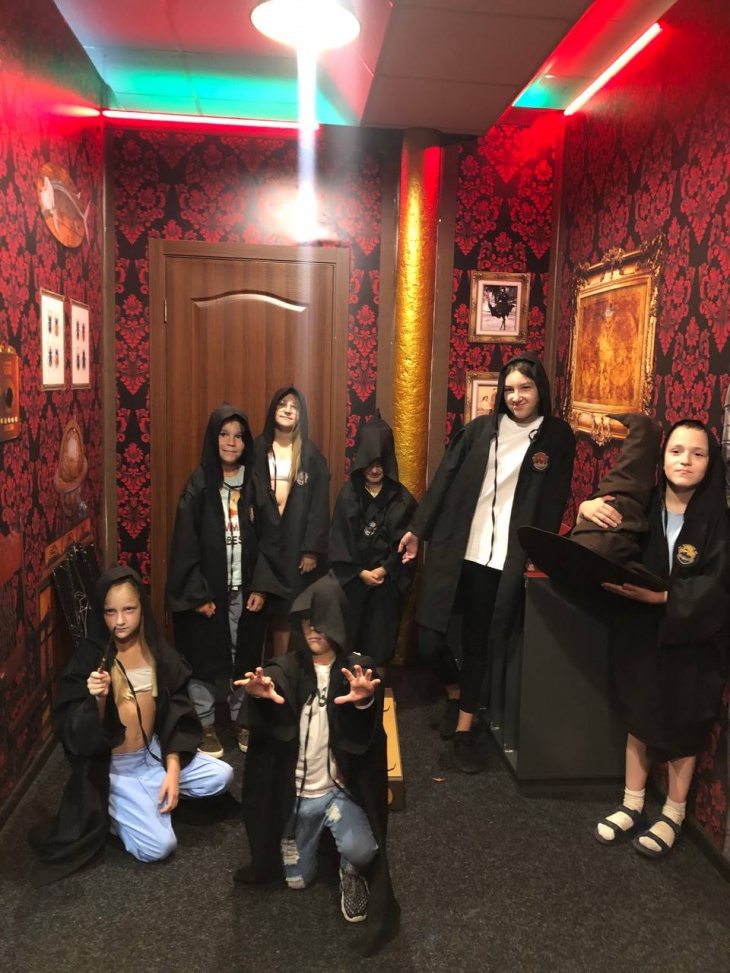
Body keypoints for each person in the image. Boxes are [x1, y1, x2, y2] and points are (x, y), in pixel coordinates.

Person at [399, 352, 575, 773]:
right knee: (428, 636)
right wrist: (418, 530)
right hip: (457, 545)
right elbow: (443, 480)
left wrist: (539, 551)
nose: (516, 397)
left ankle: (465, 729)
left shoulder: (556, 437)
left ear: (540, 390)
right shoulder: (480, 430)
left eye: (525, 388)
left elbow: (553, 500)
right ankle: (455, 690)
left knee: (478, 640)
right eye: (509, 389)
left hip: (502, 559)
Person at [30, 566, 233, 885]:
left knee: (222, 775)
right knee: (159, 847)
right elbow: (76, 736)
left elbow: (177, 714)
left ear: (141, 608)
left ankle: (154, 795)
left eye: (128, 609)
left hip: (155, 754)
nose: (120, 620)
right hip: (118, 770)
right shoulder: (90, 660)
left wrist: (173, 770)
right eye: (110, 612)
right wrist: (97, 700)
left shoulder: (157, 652)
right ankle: (114, 810)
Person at [234, 573, 399, 957]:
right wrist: (263, 695)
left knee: (363, 851)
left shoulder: (354, 669)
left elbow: (366, 727)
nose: (313, 629)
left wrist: (363, 701)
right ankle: (304, 837)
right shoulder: (290, 666)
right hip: (299, 797)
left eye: (323, 620)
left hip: (338, 794)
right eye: (307, 620)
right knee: (296, 879)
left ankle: (348, 869)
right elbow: (276, 677)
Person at [586, 420, 728, 857]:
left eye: (698, 454)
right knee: (639, 712)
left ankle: (673, 813)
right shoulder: (642, 505)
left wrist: (667, 596)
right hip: (640, 630)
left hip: (693, 637)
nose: (685, 461)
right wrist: (587, 508)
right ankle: (631, 804)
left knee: (684, 723)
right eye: (676, 451)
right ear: (662, 458)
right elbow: (603, 536)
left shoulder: (720, 521)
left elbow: (719, 585)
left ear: (711, 462)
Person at [166, 404, 265, 758]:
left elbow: (270, 539)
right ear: (213, 438)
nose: (231, 442)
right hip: (208, 592)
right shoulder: (199, 484)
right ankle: (205, 723)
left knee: (245, 654)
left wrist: (260, 586)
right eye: (224, 434)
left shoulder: (255, 483)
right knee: (203, 656)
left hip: (245, 589)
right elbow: (185, 545)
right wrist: (197, 594)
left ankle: (241, 718)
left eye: (238, 436)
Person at [329, 411, 417, 677]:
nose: (375, 469)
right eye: (370, 462)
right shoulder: (349, 494)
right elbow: (340, 538)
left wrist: (384, 569)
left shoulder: (401, 498)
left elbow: (406, 543)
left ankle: (377, 694)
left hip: (385, 583)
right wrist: (359, 572)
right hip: (353, 580)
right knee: (349, 640)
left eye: (380, 463)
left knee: (379, 643)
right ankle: (348, 690)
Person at [249, 386, 330, 656]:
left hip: (294, 545)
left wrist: (311, 550)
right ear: (273, 409)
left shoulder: (310, 454)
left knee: (285, 609)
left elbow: (319, 505)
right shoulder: (256, 449)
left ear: (301, 414)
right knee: (257, 605)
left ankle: (281, 665)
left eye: (294, 406)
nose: (287, 410)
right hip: (261, 541)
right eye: (282, 404)